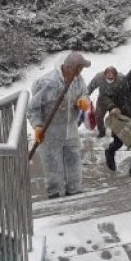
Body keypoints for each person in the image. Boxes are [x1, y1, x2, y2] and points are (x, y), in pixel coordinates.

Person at [29, 52, 92, 199]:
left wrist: (82, 100)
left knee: (74, 159)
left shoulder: (78, 80)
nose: (81, 72)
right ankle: (54, 193)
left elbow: (84, 93)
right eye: (79, 68)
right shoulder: (49, 82)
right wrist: (37, 126)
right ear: (70, 67)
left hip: (70, 127)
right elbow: (33, 108)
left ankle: (74, 190)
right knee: (52, 163)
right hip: (50, 129)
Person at [87, 66, 125, 139]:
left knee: (116, 116)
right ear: (104, 75)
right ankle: (101, 131)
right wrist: (85, 96)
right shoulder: (99, 77)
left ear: (116, 76)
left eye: (111, 78)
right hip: (102, 99)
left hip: (115, 99)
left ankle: (114, 132)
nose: (109, 79)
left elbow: (127, 89)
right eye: (108, 77)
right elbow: (90, 87)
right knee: (98, 116)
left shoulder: (121, 78)